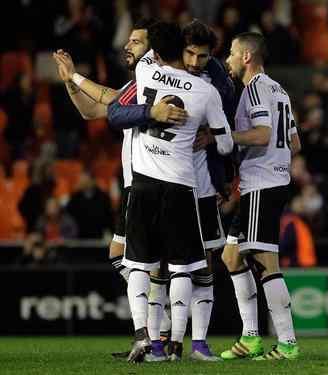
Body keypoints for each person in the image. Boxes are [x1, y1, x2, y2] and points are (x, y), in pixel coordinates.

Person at [107, 21, 233, 363]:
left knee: (137, 265)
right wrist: (209, 135)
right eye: (190, 52)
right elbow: (225, 145)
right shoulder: (207, 92)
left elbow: (115, 107)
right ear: (183, 49)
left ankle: (145, 339)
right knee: (183, 267)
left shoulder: (147, 70)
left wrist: (150, 111)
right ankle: (175, 341)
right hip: (181, 184)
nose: (195, 60)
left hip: (143, 181)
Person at [52, 18, 179, 281]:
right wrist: (69, 82)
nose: (127, 46)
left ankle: (157, 315)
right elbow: (89, 111)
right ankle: (160, 314)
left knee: (129, 257)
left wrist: (75, 76)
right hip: (142, 182)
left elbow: (111, 99)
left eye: (136, 41)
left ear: (153, 51)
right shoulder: (135, 85)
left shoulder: (152, 81)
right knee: (149, 264)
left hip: (147, 182)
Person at [221, 32, 302, 360]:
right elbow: (294, 143)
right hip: (267, 181)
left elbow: (263, 134)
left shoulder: (254, 89)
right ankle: (250, 337)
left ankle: (287, 342)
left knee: (265, 262)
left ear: (246, 57)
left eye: (231, 53)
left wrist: (222, 136)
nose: (227, 60)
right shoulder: (279, 90)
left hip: (263, 185)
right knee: (232, 257)